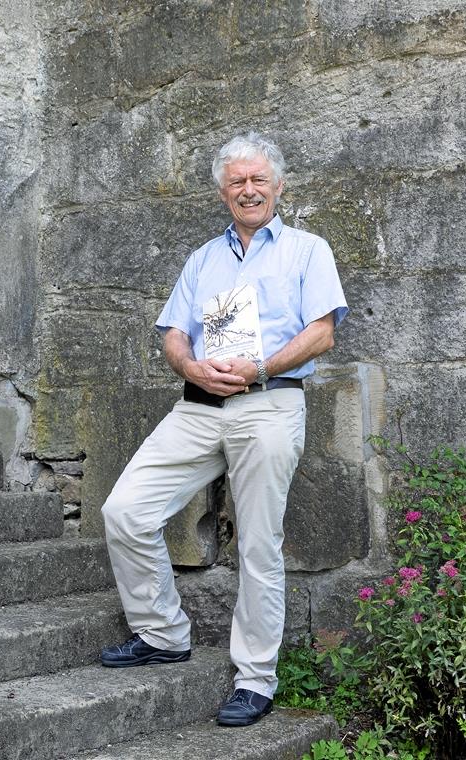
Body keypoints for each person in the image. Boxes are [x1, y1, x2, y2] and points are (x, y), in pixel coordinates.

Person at [98, 131, 348, 727]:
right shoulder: (202, 260)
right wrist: (189, 365)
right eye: (237, 181)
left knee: (259, 544)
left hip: (269, 402)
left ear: (279, 187)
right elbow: (173, 334)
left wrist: (260, 366)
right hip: (200, 404)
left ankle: (256, 679)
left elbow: (323, 333)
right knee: (125, 510)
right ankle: (161, 633)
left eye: (259, 179)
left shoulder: (308, 250)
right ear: (222, 192)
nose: (249, 189)